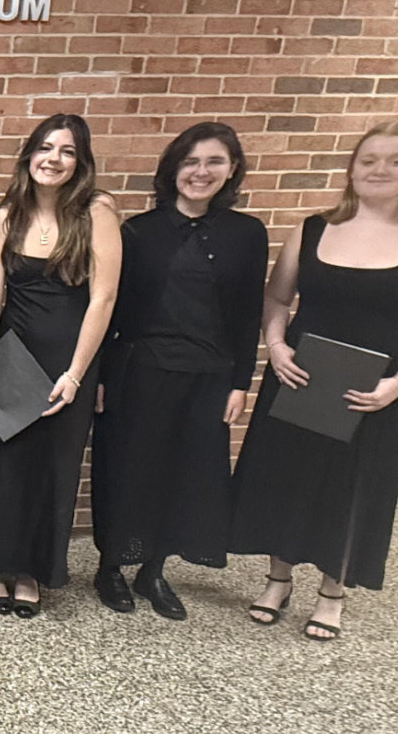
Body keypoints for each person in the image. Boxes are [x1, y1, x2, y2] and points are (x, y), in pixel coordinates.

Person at [231, 123, 398, 641]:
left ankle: (332, 592)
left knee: (353, 484)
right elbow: (277, 299)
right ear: (352, 168)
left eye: (396, 160)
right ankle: (277, 580)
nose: (380, 169)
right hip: (300, 375)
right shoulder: (314, 228)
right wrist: (277, 346)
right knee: (289, 475)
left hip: (376, 388)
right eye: (369, 159)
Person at [90, 123, 268, 620]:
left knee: (184, 475)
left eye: (214, 162)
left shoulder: (247, 234)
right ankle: (110, 567)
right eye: (191, 162)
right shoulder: (138, 232)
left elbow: (248, 314)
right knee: (128, 471)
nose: (201, 172)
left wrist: (241, 382)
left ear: (232, 169)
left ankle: (153, 570)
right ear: (173, 169)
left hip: (208, 377)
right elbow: (112, 308)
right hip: (138, 373)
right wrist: (100, 375)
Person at [0, 113, 121, 618]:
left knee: (54, 469)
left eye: (67, 151)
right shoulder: (8, 215)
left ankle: (31, 570)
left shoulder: (96, 212)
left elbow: (103, 299)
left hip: (69, 363)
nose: (53, 159)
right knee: (5, 466)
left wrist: (75, 374)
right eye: (46, 148)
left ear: (80, 161)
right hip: (14, 357)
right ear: (29, 155)